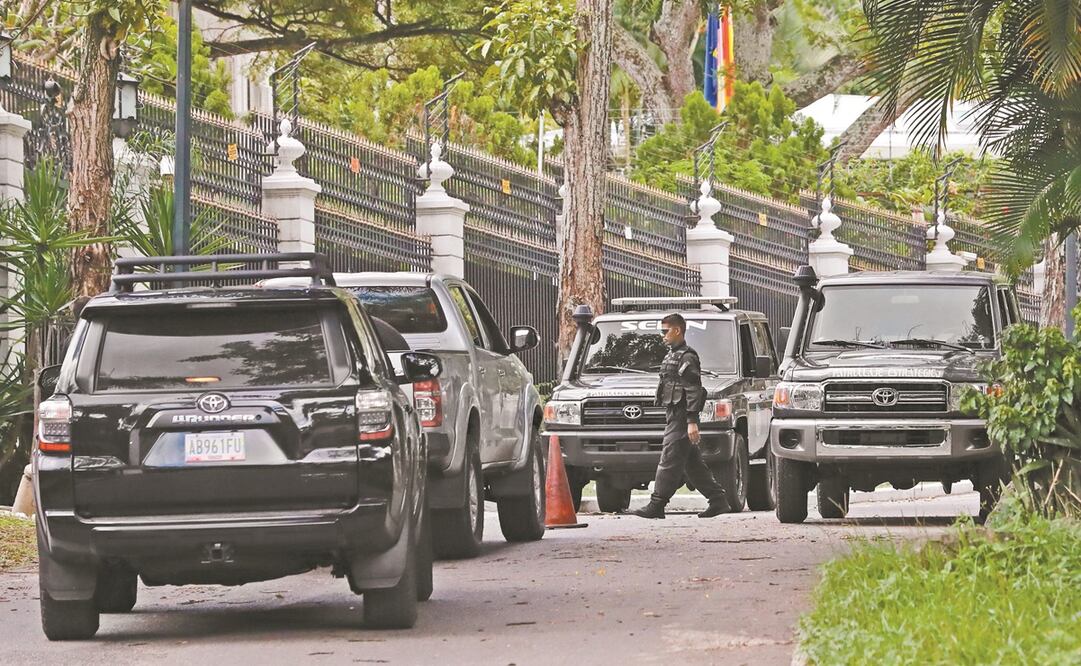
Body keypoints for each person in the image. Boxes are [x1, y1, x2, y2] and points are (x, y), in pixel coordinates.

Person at [631, 313, 730, 519]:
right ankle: (718, 500)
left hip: (682, 416)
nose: (662, 336)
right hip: (674, 414)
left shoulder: (687, 357)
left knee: (669, 457)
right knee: (691, 463)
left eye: (665, 331)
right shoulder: (671, 355)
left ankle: (657, 504)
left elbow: (694, 390)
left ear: (677, 330)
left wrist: (692, 421)